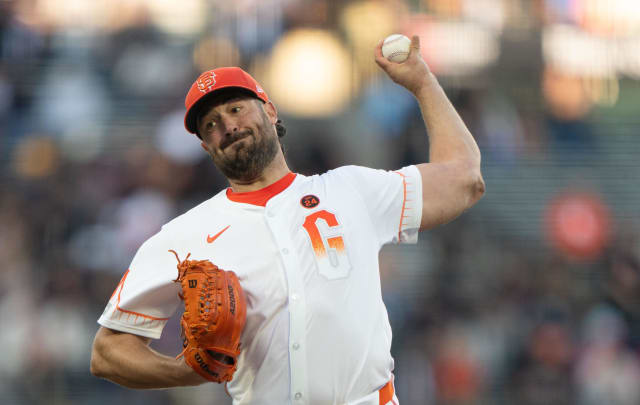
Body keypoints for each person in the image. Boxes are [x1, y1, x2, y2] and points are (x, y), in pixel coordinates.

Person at [90, 35, 485, 405]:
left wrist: (423, 83)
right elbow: (108, 352)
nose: (226, 125)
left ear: (270, 110)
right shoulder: (183, 234)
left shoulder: (350, 190)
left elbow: (464, 180)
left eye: (235, 108)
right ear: (204, 145)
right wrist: (182, 371)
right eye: (209, 124)